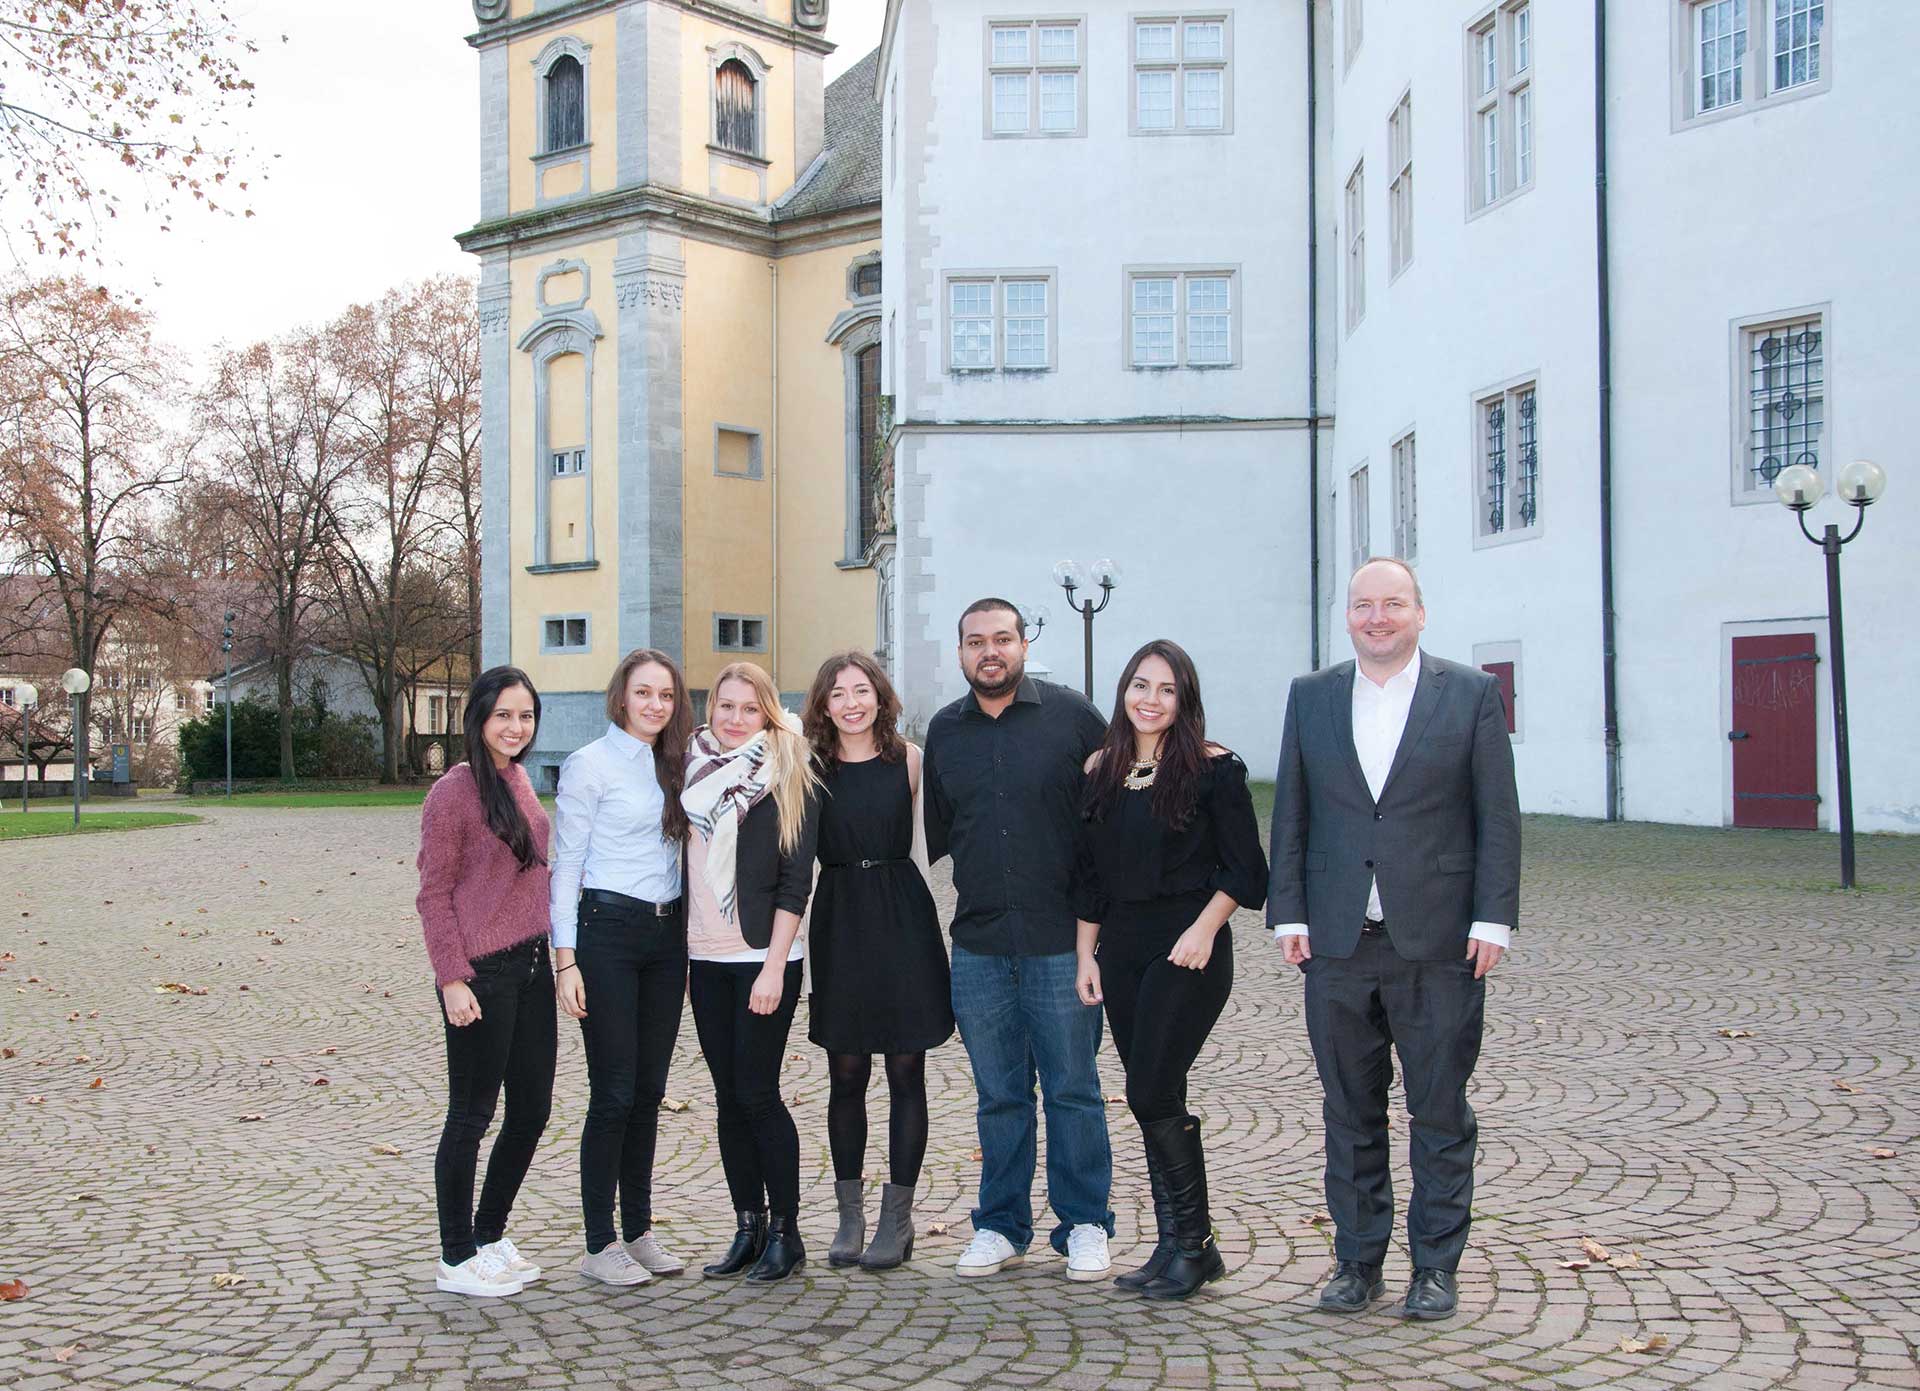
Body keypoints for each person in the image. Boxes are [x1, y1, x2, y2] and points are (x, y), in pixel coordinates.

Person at [1269, 557, 1522, 1321]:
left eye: (1392, 603)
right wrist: (1290, 911)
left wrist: (1492, 918)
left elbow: (1497, 815)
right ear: (1347, 616)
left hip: (1441, 940)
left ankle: (1435, 1268)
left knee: (1439, 1109)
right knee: (1350, 1109)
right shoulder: (1311, 696)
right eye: (1362, 605)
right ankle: (1357, 1260)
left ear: (1419, 611)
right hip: (1337, 943)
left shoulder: (1471, 694)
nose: (1376, 617)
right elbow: (1292, 808)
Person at [924, 598, 1114, 1281]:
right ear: (961, 652)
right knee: (998, 1095)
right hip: (977, 944)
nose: (990, 651)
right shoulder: (945, 731)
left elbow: (1121, 792)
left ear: (1023, 643)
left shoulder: (1072, 716)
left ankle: (1085, 1220)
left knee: (1073, 1088)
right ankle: (1001, 1224)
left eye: (1002, 637)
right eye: (976, 641)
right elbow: (944, 831)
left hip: (1062, 942)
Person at [1074, 640, 1267, 1300]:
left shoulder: (1214, 769)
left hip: (1188, 948)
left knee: (1150, 1089)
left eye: (1165, 689)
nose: (1149, 699)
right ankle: (1176, 1243)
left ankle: (1195, 1245)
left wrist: (1204, 929)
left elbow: (1247, 870)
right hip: (1120, 949)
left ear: (1184, 700)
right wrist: (1085, 957)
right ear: (1124, 691)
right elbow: (1090, 877)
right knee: (1155, 1091)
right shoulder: (1101, 768)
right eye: (1139, 685)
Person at [800, 650, 954, 1271]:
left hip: (902, 917)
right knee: (846, 1073)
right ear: (823, 704)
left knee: (904, 1072)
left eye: (861, 690)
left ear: (880, 696)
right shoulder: (808, 766)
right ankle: (849, 1216)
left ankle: (898, 1220)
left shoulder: (909, 760)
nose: (851, 703)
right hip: (839, 916)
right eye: (837, 694)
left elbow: (937, 837)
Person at [550, 648, 692, 1288]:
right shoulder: (589, 765)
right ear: (621, 696)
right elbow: (566, 866)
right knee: (613, 1092)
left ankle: (637, 1231)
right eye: (644, 693)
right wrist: (566, 959)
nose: (655, 705)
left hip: (667, 939)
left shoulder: (679, 765)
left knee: (650, 1092)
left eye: (665, 694)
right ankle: (598, 1242)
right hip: (606, 934)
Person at [417, 666, 556, 1298]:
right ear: (477, 719)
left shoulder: (518, 779)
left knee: (531, 1111)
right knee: (471, 1116)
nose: (515, 726)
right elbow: (434, 894)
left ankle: (488, 1236)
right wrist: (452, 978)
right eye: (503, 714)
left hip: (531, 968)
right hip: (481, 974)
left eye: (525, 715)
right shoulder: (453, 792)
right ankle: (454, 1256)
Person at [682, 661, 822, 1283]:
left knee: (758, 1093)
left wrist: (773, 969)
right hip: (704, 956)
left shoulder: (791, 771)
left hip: (765, 959)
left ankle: (787, 1233)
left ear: (767, 711)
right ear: (710, 706)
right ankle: (749, 1226)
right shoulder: (689, 768)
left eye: (748, 708)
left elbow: (797, 883)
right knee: (727, 1098)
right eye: (725, 705)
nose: (735, 719)